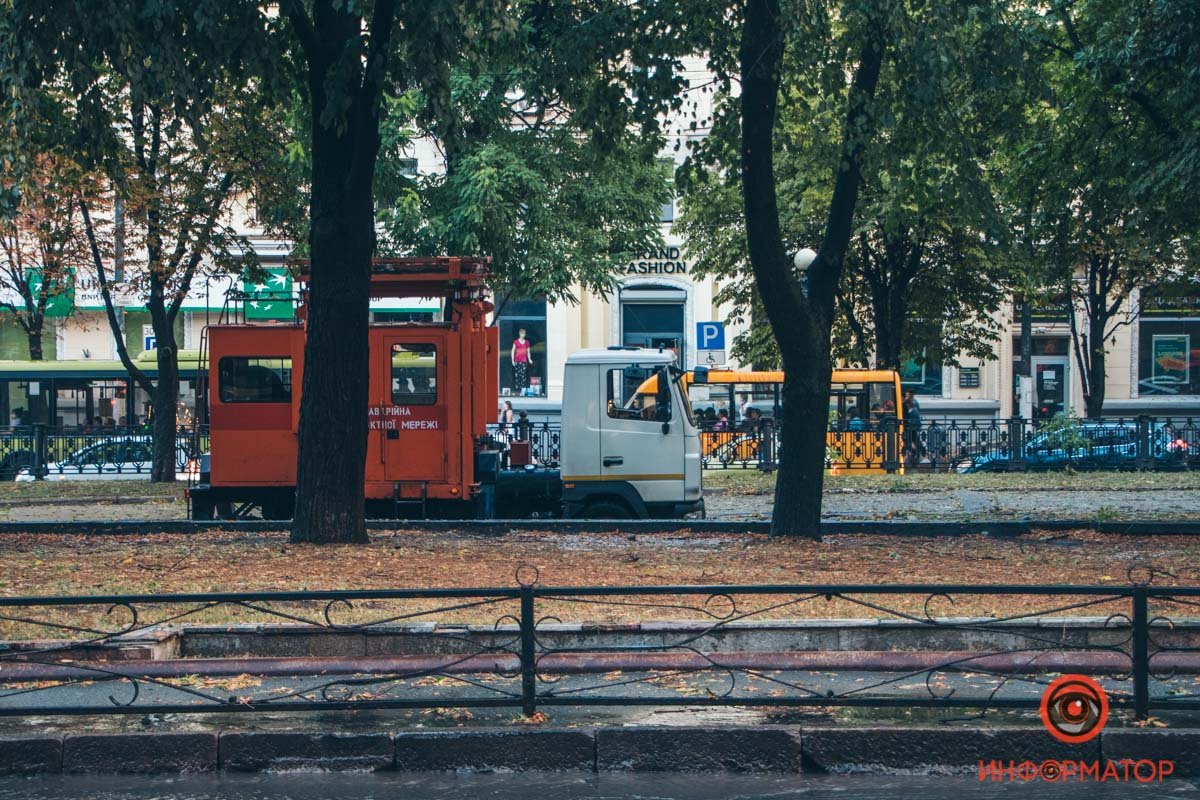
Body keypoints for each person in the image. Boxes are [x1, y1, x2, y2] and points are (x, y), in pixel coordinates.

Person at [903, 390, 923, 466]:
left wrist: (909, 423)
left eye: (908, 395)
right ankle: (915, 454)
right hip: (913, 429)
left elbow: (915, 419)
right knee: (915, 442)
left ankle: (916, 454)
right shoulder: (912, 406)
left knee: (914, 442)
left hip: (913, 429)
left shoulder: (914, 406)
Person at [511, 328, 534, 394]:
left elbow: (528, 351)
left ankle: (523, 390)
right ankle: (518, 390)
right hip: (517, 360)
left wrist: (529, 359)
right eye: (522, 333)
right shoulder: (516, 342)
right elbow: (513, 351)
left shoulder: (527, 342)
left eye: (524, 333)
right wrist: (512, 360)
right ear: (520, 333)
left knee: (523, 375)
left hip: (524, 360)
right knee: (517, 375)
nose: (523, 335)